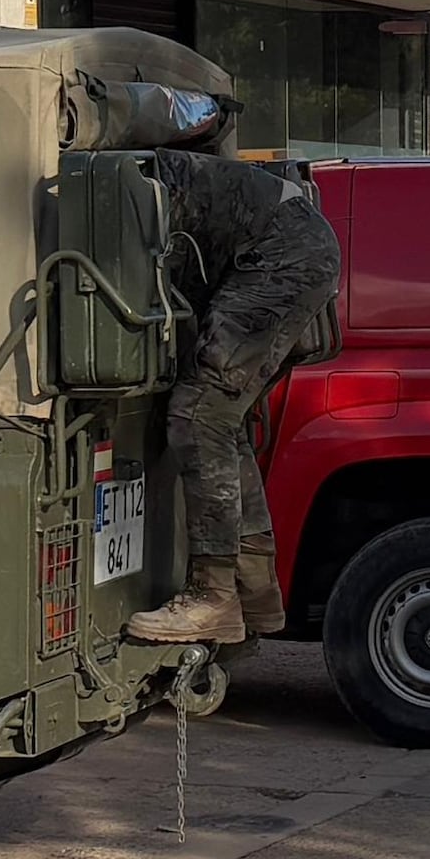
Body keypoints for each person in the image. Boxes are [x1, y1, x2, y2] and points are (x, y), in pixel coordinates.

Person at [122, 107, 339, 648]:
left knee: (197, 417)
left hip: (277, 257)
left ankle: (212, 596)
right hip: (295, 249)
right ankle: (254, 586)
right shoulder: (140, 171)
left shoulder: (122, 187)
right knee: (222, 419)